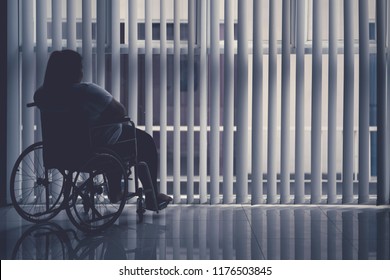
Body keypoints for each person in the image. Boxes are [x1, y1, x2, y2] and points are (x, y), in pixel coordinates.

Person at [34, 49, 172, 211]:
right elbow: (120, 111)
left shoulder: (42, 95)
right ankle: (150, 197)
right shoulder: (87, 91)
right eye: (80, 67)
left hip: (61, 151)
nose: (82, 71)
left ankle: (115, 191)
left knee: (115, 142)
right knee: (143, 142)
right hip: (92, 148)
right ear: (74, 70)